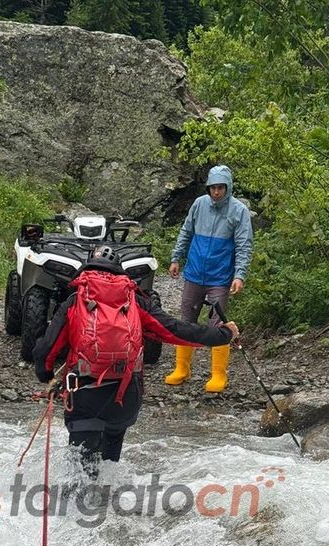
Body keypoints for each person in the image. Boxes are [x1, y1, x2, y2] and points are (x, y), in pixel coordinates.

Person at [33, 245, 239, 475]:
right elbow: (177, 330)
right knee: (110, 468)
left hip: (84, 395)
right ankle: (111, 506)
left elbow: (45, 351)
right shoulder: (135, 301)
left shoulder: (75, 300)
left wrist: (47, 376)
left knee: (81, 474)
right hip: (124, 397)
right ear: (119, 270)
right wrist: (224, 335)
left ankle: (75, 508)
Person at [165, 164, 253, 393]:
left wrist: (239, 275)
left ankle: (218, 375)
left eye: (221, 187)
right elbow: (186, 232)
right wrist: (176, 258)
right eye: (213, 187)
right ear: (208, 187)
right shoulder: (199, 205)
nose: (216, 192)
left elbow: (244, 245)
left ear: (228, 187)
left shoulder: (238, 211)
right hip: (194, 273)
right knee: (186, 320)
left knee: (217, 324)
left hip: (220, 277)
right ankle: (182, 369)